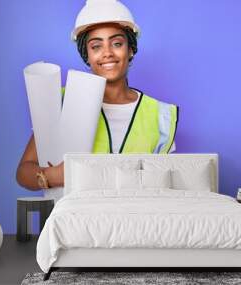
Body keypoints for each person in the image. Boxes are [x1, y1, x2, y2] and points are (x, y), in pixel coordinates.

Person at [16, 0, 179, 192]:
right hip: (79, 219)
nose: (107, 53)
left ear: (131, 49)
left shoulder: (160, 115)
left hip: (139, 218)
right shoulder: (63, 101)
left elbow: (167, 185)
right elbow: (23, 172)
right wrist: (53, 176)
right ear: (87, 55)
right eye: (96, 46)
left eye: (117, 43)